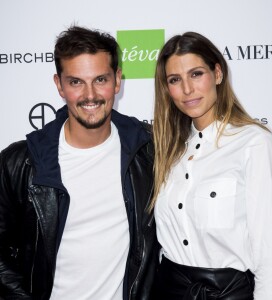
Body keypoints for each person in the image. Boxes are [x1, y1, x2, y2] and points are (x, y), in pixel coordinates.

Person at [0, 25, 158, 300]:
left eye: (100, 79)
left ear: (117, 80)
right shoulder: (19, 163)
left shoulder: (148, 151)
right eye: (76, 82)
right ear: (59, 85)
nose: (90, 95)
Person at [151, 32, 272, 299]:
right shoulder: (168, 150)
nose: (187, 89)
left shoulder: (255, 144)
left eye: (196, 74)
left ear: (218, 74)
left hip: (229, 292)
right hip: (168, 290)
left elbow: (268, 258)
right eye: (175, 80)